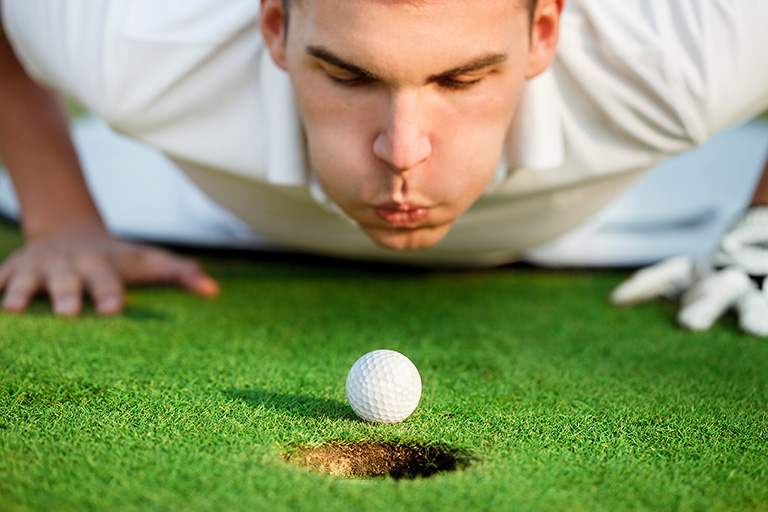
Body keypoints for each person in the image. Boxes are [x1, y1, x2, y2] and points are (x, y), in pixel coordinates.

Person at [0, 0, 767, 333]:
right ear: (276, 28)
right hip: (207, 211)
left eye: (462, 79)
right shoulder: (131, 46)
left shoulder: (680, 62)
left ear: (542, 34)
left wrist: (761, 230)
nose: (402, 152)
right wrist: (62, 218)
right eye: (347, 75)